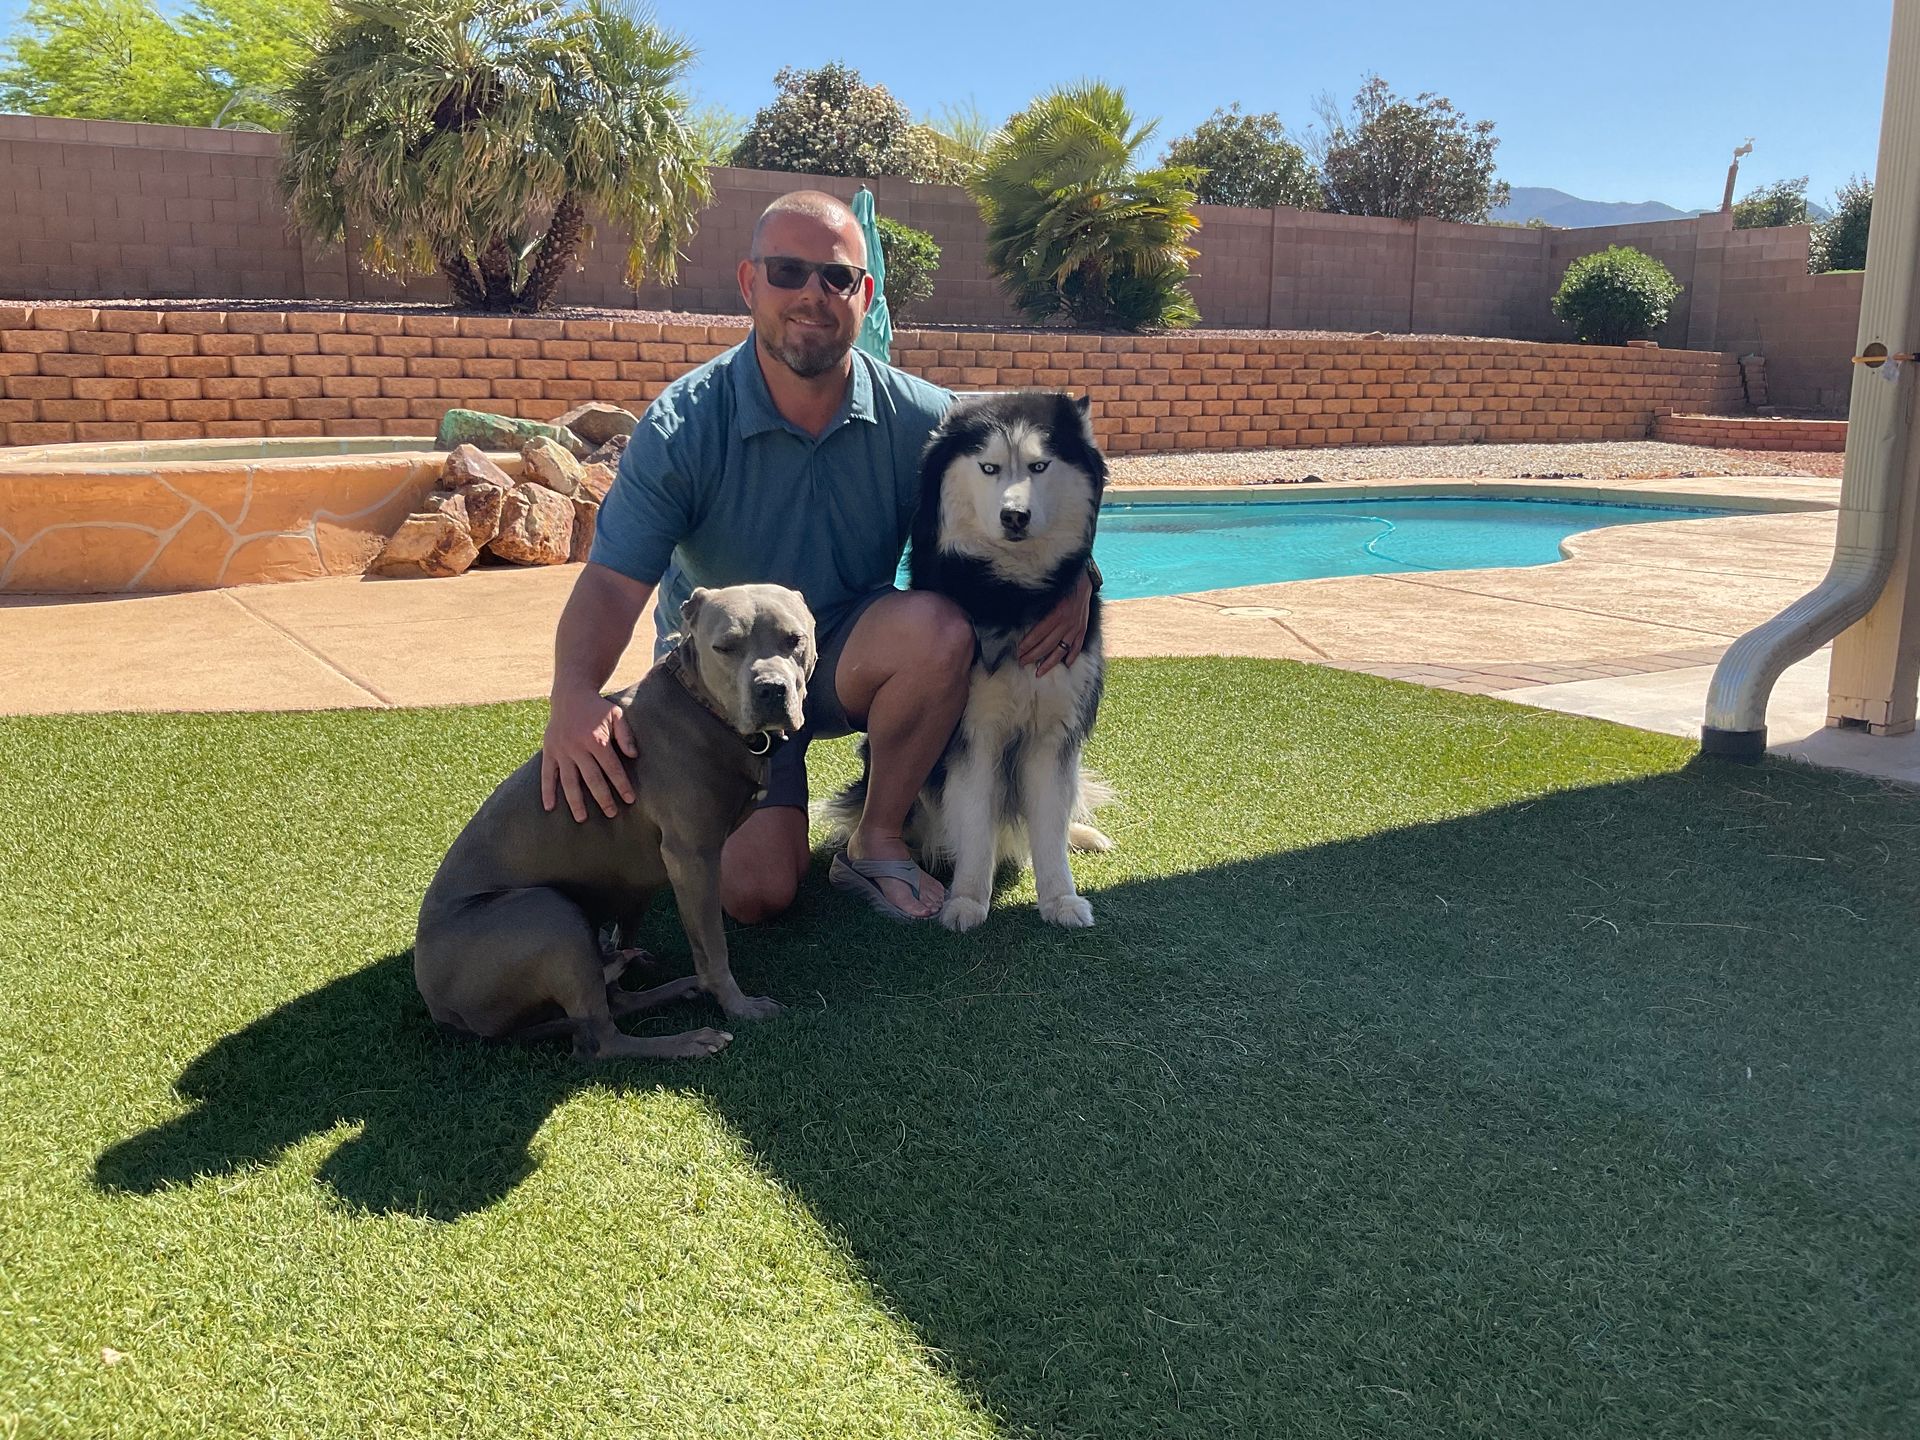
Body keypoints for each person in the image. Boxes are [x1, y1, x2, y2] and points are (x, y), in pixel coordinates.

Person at [540, 191, 1094, 923]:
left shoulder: (928, 421)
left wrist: (1081, 574)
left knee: (938, 631)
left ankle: (877, 840)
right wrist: (574, 694)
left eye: (836, 278)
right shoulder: (682, 426)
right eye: (787, 272)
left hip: (846, 660)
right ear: (748, 284)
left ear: (865, 295)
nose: (812, 295)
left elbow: (1034, 468)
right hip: (725, 685)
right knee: (755, 892)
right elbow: (613, 584)